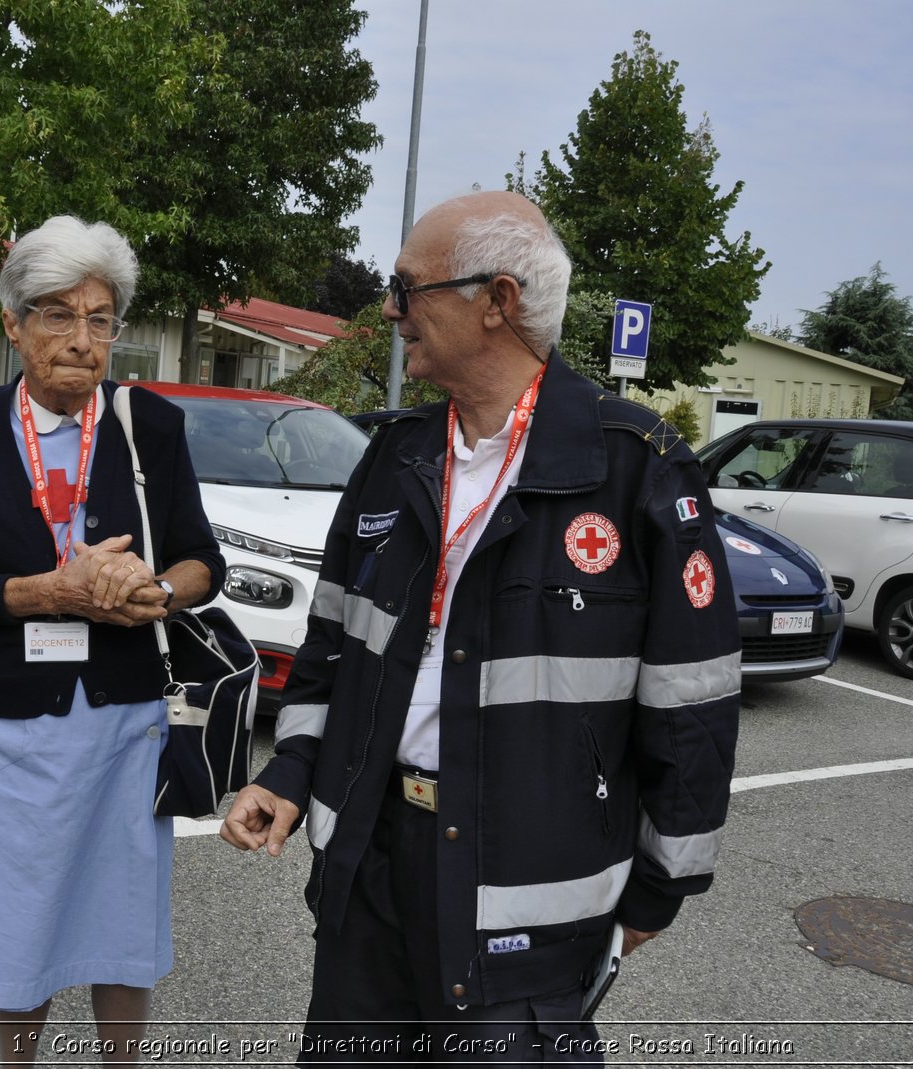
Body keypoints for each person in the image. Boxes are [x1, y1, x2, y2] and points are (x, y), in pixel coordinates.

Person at [220, 191, 741, 1063]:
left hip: (527, 898)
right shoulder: (394, 457)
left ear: (496, 300)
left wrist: (660, 888)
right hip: (373, 867)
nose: (389, 310)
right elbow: (332, 648)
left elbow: (693, 703)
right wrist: (291, 769)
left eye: (408, 287)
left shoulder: (633, 467)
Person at [0, 216, 224, 1065]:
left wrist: (156, 590)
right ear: (13, 323)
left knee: (120, 917)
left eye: (99, 319)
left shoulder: (147, 426)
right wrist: (50, 592)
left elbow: (206, 562)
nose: (81, 341)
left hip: (125, 723)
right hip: (13, 725)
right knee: (20, 920)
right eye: (57, 315)